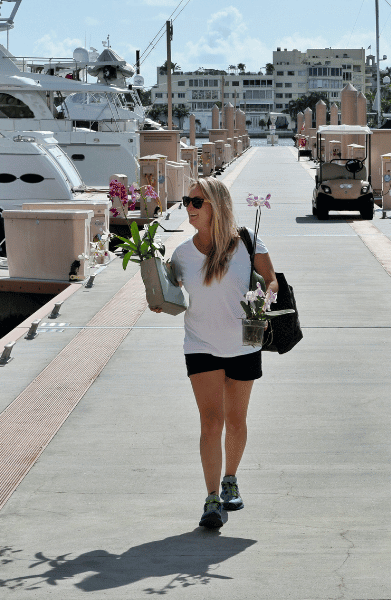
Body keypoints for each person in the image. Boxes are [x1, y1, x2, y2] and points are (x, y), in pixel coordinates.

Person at [154, 177, 278, 529]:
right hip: (200, 344)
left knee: (236, 421)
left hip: (244, 341)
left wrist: (264, 304)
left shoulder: (248, 244)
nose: (188, 208)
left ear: (215, 207)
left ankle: (230, 479)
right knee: (211, 422)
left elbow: (271, 280)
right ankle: (211, 499)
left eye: (196, 203)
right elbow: (170, 293)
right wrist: (161, 302)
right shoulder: (181, 254)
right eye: (186, 201)